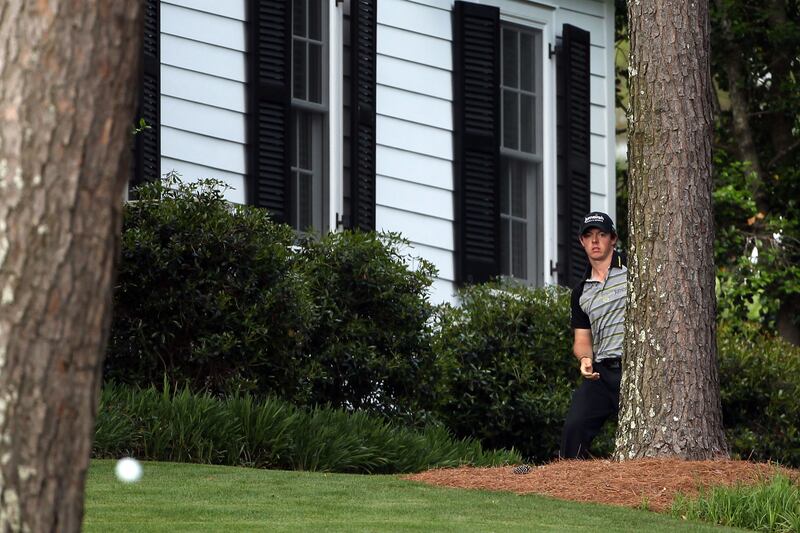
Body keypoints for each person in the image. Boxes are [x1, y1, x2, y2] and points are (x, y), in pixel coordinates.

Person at [560, 211, 627, 459]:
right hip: (602, 372)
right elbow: (582, 340)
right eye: (589, 236)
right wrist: (585, 360)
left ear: (613, 239)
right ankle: (570, 489)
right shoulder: (580, 292)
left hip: (637, 370)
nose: (595, 241)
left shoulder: (634, 272)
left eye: (601, 235)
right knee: (574, 428)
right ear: (582, 242)